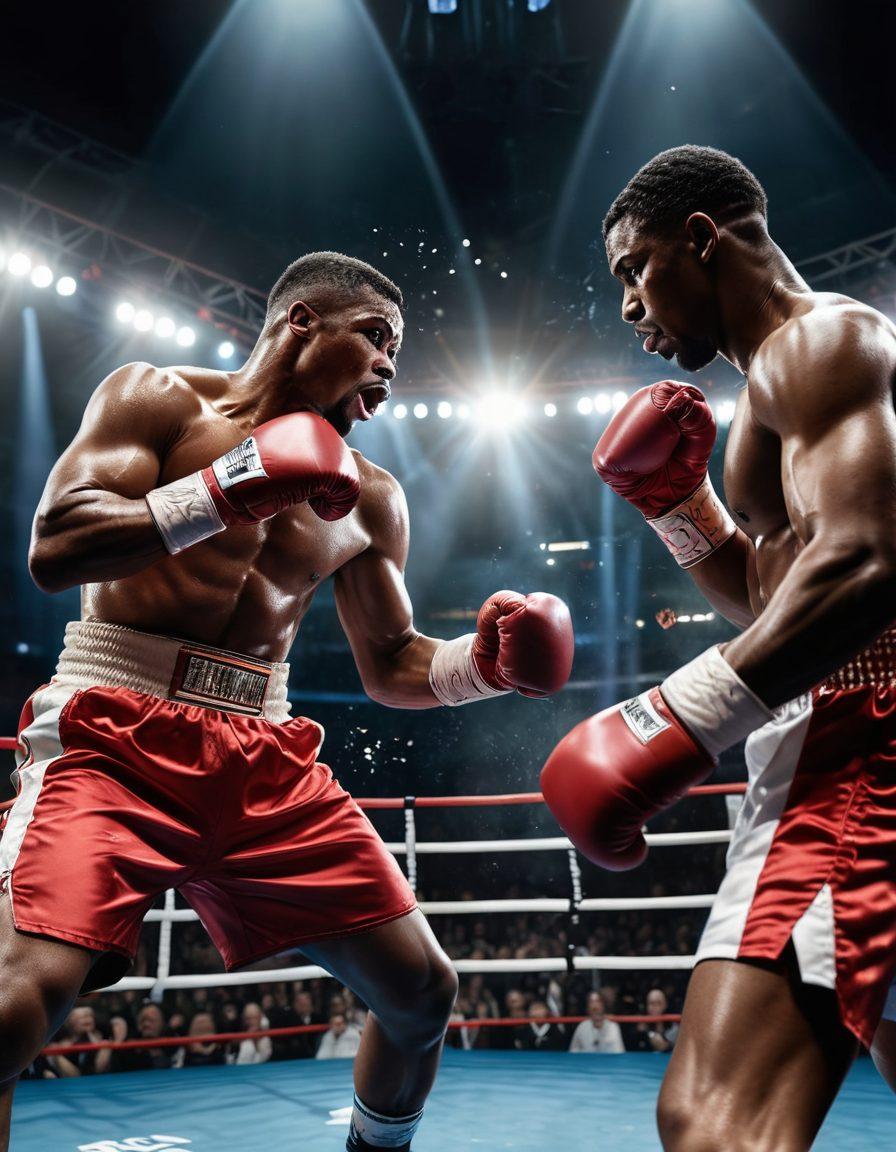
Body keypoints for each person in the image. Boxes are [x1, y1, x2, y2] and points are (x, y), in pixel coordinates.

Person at [0, 250, 576, 1152]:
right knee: (12, 1006)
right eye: (377, 338)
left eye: (398, 353)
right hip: (116, 728)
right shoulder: (157, 398)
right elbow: (57, 544)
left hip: (262, 756)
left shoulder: (371, 496)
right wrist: (227, 486)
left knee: (422, 992)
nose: (389, 366)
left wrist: (482, 666)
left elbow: (392, 662)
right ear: (302, 321)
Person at [541, 146, 896, 1150]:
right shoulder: (779, 381)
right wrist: (678, 509)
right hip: (846, 725)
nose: (627, 306)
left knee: (714, 1121)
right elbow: (775, 595)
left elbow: (865, 563)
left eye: (634, 269)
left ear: (700, 237)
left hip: (860, 742)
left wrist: (678, 717)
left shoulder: (819, 343)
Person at [629, 989, 678, 1054]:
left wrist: (666, 1047)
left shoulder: (673, 1028)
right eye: (652, 1003)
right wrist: (643, 1033)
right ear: (647, 1006)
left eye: (659, 1003)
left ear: (665, 1005)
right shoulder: (639, 1027)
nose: (655, 1006)